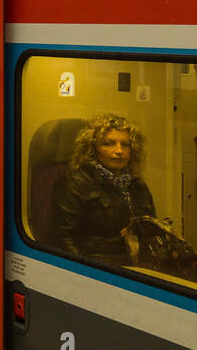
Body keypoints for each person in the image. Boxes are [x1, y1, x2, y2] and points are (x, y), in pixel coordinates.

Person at [53, 113, 156, 264]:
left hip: (137, 266)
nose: (119, 151)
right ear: (93, 149)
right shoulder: (76, 183)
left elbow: (151, 230)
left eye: (125, 145)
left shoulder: (137, 185)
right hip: (100, 267)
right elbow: (65, 238)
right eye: (109, 143)